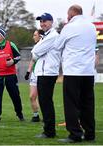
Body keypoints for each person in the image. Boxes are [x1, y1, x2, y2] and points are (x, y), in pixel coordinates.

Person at [54, 5, 97, 142]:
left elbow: (57, 46)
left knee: (71, 103)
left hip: (73, 71)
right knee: (88, 103)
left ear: (71, 15)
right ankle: (90, 133)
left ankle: (75, 134)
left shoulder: (69, 27)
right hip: (88, 72)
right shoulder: (91, 26)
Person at [31, 13, 60, 138]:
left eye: (45, 21)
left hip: (48, 73)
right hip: (44, 73)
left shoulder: (52, 35)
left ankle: (49, 132)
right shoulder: (46, 36)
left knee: (46, 102)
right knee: (44, 102)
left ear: (51, 22)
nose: (42, 24)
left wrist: (38, 49)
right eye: (41, 22)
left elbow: (35, 51)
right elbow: (36, 53)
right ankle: (48, 130)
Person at [24, 29, 44, 122]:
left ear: (40, 36)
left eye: (35, 35)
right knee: (32, 96)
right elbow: (33, 60)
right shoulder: (35, 47)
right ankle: (36, 116)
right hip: (35, 74)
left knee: (44, 97)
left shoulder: (45, 45)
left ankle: (47, 116)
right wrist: (28, 72)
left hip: (43, 74)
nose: (33, 37)